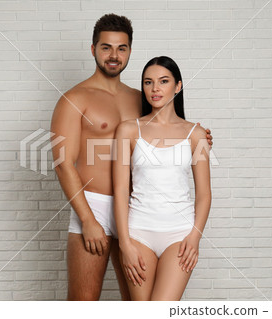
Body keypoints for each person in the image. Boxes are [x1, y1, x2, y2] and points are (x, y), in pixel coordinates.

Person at [50, 14, 213, 301]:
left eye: (121, 48)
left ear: (129, 51)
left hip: (137, 210)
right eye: (106, 48)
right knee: (83, 301)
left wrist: (200, 137)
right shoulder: (75, 99)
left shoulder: (142, 97)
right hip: (95, 205)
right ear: (93, 50)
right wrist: (87, 219)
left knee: (136, 303)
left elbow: (165, 131)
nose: (114, 55)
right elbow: (63, 163)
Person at [113, 56, 212, 301]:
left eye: (163, 81)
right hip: (138, 234)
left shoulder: (196, 134)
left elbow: (204, 194)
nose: (155, 88)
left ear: (178, 86)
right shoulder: (127, 130)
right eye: (148, 82)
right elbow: (120, 190)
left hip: (179, 235)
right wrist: (125, 244)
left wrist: (195, 236)